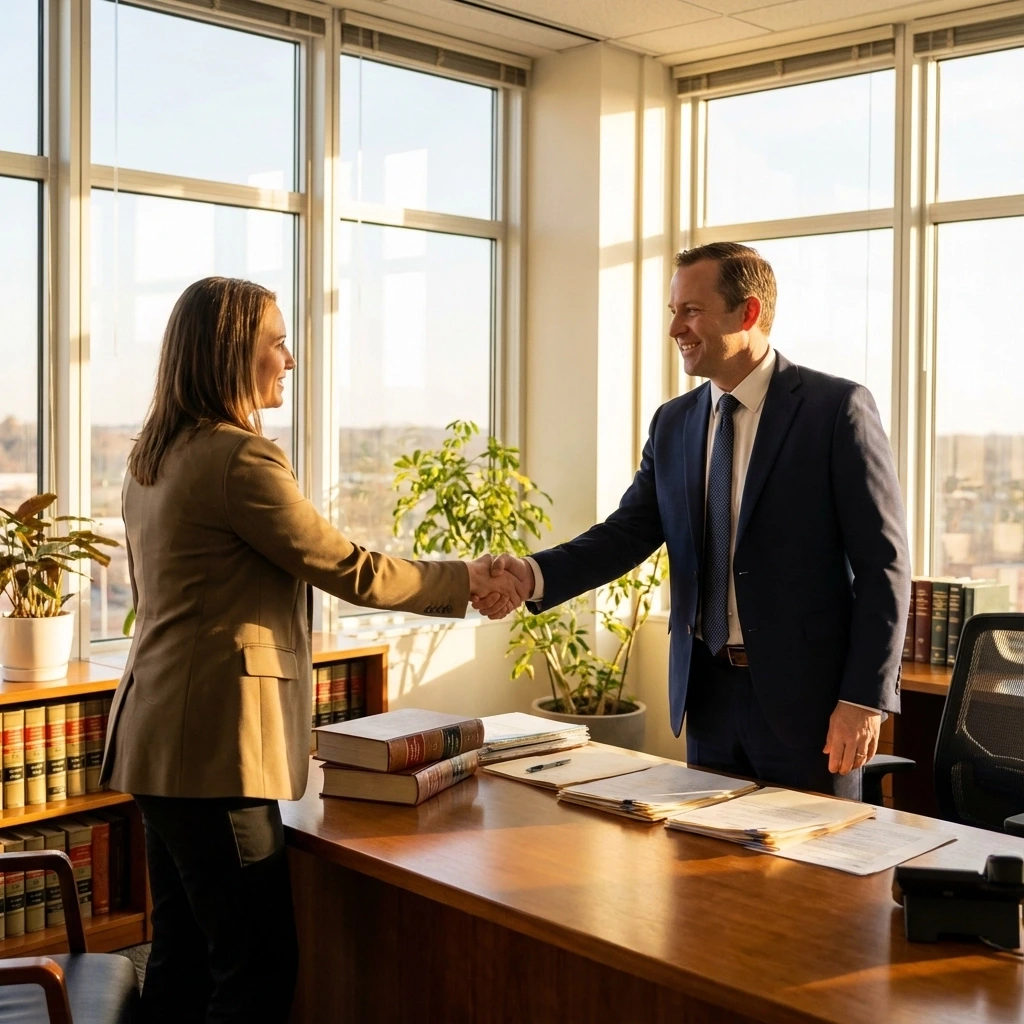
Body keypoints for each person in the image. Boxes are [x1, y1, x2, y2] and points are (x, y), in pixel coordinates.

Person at [99, 277, 519, 1024]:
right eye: (276, 342)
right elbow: (347, 567)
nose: (289, 360)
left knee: (183, 958)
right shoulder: (238, 460)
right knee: (255, 970)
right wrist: (466, 580)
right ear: (234, 354)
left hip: (152, 737)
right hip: (212, 751)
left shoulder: (152, 458)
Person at [487, 242, 911, 799]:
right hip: (706, 696)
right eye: (673, 312)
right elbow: (627, 533)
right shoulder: (674, 422)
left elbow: (885, 565)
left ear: (749, 312)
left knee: (813, 878)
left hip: (808, 707)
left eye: (691, 311)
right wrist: (533, 574)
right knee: (703, 875)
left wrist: (862, 700)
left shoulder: (835, 410)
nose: (675, 330)